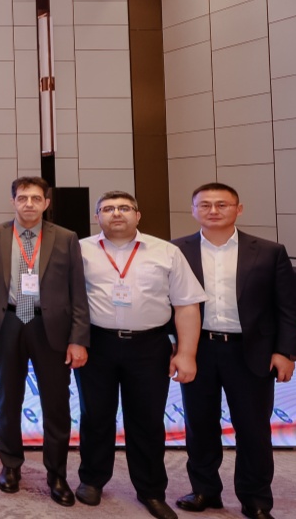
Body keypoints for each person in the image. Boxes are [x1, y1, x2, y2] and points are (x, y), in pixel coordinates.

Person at [173, 183, 296, 519]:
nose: (213, 210)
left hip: (252, 351)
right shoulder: (176, 251)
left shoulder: (270, 251)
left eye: (222, 204)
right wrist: (174, 348)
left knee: (253, 430)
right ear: (193, 210)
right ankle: (205, 490)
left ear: (238, 209)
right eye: (205, 205)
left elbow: (289, 307)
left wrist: (286, 352)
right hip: (198, 349)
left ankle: (256, 499)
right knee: (199, 426)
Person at [72, 191, 205, 519]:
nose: (116, 213)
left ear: (138, 215)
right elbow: (66, 301)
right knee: (95, 416)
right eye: (108, 209)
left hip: (149, 347)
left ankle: (151, 490)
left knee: (147, 420)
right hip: (96, 344)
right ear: (97, 217)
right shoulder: (79, 250)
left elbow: (187, 305)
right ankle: (92, 480)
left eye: (124, 208)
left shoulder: (166, 252)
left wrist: (186, 353)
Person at [0, 176, 89, 506]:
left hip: (50, 326)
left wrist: (78, 338)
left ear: (46, 203)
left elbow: (77, 291)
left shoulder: (66, 238)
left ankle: (56, 473)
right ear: (13, 201)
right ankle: (11, 465)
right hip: (9, 324)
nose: (29, 203)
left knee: (56, 405)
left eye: (36, 198)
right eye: (23, 198)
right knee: (7, 400)